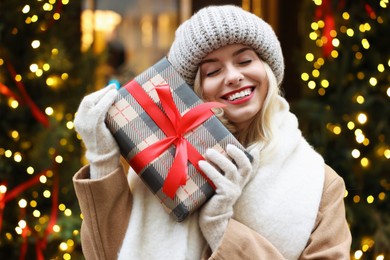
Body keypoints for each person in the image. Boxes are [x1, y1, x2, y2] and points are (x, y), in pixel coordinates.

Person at [73, 5, 352, 260]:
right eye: (213, 71)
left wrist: (220, 227)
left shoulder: (319, 184)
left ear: (267, 70)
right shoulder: (163, 166)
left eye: (244, 61)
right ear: (194, 90)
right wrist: (102, 158)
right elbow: (105, 254)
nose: (232, 76)